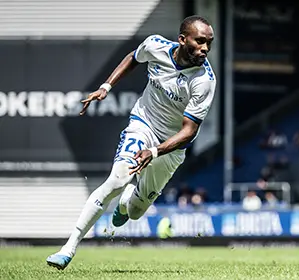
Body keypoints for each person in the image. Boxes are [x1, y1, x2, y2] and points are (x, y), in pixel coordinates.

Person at [46, 15, 216, 270]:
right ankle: (68, 248)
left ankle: (128, 201)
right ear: (182, 40)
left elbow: (189, 131)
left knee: (135, 210)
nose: (205, 49)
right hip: (143, 125)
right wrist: (106, 85)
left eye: (209, 43)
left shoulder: (204, 80)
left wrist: (155, 151)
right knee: (116, 179)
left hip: (170, 147)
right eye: (200, 41)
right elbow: (133, 58)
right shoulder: (155, 45)